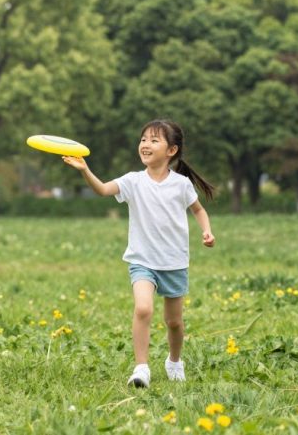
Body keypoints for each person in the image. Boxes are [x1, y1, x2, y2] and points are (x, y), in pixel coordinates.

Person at [64, 119, 216, 388]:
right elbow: (102, 190)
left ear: (171, 150)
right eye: (143, 139)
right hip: (142, 260)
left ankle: (174, 361)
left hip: (174, 262)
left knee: (174, 323)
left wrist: (206, 231)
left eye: (154, 140)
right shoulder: (132, 181)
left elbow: (198, 210)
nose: (145, 144)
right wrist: (84, 170)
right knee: (143, 309)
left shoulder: (181, 185)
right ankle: (141, 367)